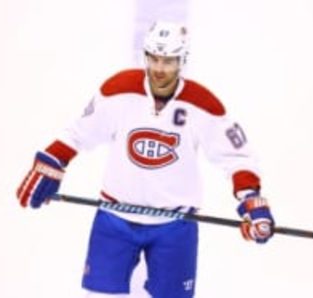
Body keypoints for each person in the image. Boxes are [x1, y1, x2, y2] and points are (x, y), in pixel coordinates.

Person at [16, 21, 275, 298]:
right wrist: (53, 161)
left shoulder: (203, 104)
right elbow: (78, 132)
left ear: (182, 61)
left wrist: (250, 198)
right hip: (115, 217)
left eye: (169, 61)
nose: (159, 69)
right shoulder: (119, 90)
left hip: (175, 224)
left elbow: (237, 157)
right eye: (154, 58)